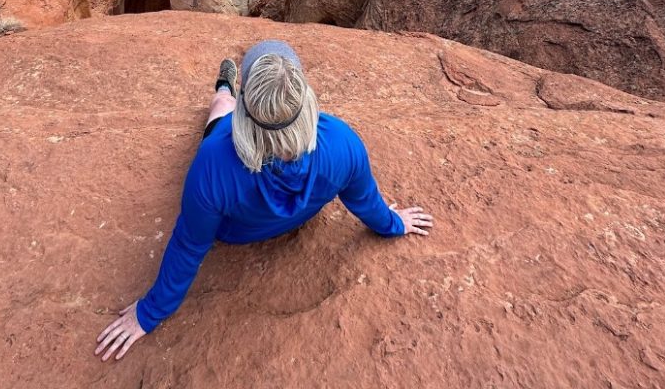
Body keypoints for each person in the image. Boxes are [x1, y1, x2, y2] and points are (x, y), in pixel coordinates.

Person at [95, 39, 433, 362]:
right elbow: (367, 202)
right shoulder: (343, 145)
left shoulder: (213, 165)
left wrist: (149, 312)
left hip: (235, 228)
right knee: (220, 116)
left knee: (219, 112)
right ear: (307, 102)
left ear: (247, 113)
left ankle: (226, 90)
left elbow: (189, 245)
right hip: (301, 211)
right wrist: (394, 224)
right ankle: (226, 91)